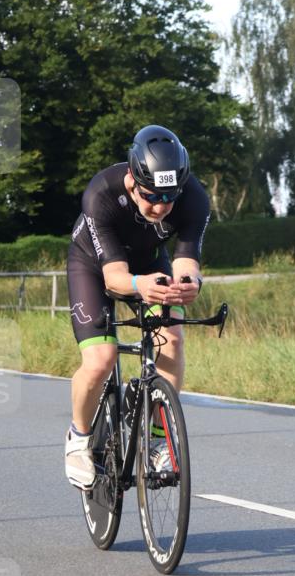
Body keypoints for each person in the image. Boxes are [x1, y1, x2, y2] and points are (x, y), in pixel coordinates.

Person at [65, 125, 210, 489]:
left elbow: (187, 259)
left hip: (148, 264)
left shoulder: (194, 198)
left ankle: (158, 438)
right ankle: (79, 438)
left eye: (169, 197)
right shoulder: (102, 193)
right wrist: (138, 286)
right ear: (132, 179)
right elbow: (114, 278)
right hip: (94, 267)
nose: (160, 206)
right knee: (101, 359)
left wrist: (189, 283)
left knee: (172, 340)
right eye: (151, 197)